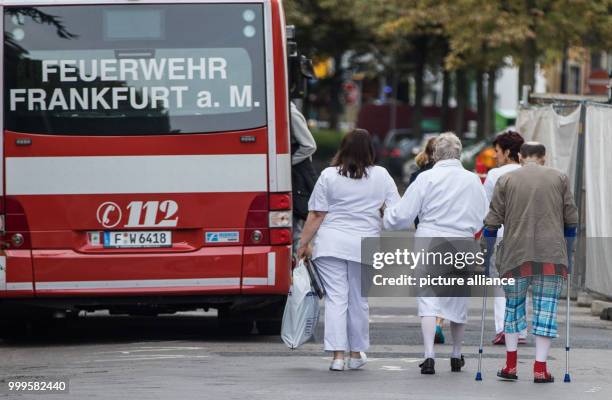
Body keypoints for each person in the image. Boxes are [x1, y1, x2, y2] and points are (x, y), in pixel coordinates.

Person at [383, 132, 488, 375]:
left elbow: (403, 215)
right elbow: (483, 215)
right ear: (459, 153)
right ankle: (456, 354)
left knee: (428, 301)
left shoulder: (426, 178)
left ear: (435, 154)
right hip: (462, 241)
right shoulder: (473, 180)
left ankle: (429, 355)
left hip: (429, 240)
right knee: (458, 301)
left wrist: (387, 215)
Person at [297, 129, 400, 371]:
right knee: (359, 301)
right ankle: (356, 354)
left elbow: (317, 214)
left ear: (342, 148)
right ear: (371, 150)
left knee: (336, 300)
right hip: (365, 244)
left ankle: (337, 357)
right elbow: (396, 211)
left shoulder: (328, 175)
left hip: (331, 243)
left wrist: (303, 244)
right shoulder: (382, 176)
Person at [484, 142, 578, 383]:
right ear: (544, 157)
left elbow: (492, 221)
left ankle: (511, 366)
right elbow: (571, 220)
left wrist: (487, 254)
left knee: (513, 308)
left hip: (515, 255)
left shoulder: (506, 180)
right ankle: (539, 368)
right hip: (551, 256)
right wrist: (568, 253)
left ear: (519, 156)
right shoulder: (560, 178)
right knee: (546, 310)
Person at [482, 131, 528, 346]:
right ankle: (521, 329)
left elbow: (487, 207)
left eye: (498, 151)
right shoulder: (529, 173)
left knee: (500, 283)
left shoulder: (495, 175)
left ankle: (503, 328)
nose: (495, 156)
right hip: (527, 234)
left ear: (508, 152)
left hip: (501, 233)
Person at [409, 137, 446, 344]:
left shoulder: (418, 175)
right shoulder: (456, 176)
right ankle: (440, 322)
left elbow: (412, 208)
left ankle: (431, 328)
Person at [290, 101, 317, 256]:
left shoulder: (291, 113)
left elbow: (309, 145)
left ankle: (301, 270)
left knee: (297, 231)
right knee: (295, 230)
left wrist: (285, 163)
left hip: (297, 178)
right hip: (295, 177)